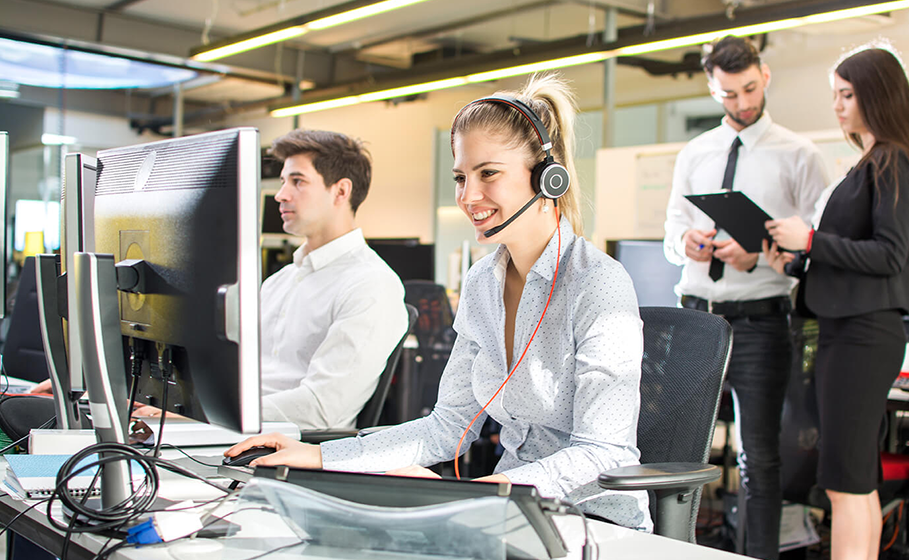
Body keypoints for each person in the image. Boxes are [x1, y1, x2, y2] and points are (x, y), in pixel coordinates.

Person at [227, 74, 652, 531]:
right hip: (509, 511)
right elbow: (446, 425)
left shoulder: (598, 283)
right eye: (460, 177)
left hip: (592, 523)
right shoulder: (482, 283)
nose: (469, 196)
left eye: (488, 173)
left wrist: (481, 493)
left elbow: (602, 451)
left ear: (548, 177)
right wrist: (319, 455)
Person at [36, 130, 409, 431]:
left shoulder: (372, 286)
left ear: (341, 191)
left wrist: (199, 417)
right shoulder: (280, 281)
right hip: (223, 431)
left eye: (297, 181)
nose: (280, 195)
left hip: (283, 446)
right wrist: (104, 387)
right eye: (282, 181)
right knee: (48, 427)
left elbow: (323, 409)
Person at [765, 43, 909, 560]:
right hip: (852, 331)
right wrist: (796, 262)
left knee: (844, 479)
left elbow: (889, 254)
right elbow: (859, 261)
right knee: (853, 479)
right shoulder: (879, 160)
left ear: (876, 96)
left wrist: (812, 241)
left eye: (847, 94)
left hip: (861, 337)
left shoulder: (891, 162)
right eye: (835, 95)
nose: (838, 105)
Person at [663, 36, 828, 559]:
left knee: (759, 459)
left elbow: (817, 242)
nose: (741, 103)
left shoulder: (800, 155)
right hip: (696, 319)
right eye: (728, 94)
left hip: (760, 324)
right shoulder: (696, 152)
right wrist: (683, 242)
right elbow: (671, 230)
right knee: (675, 455)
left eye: (749, 89)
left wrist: (756, 253)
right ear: (713, 88)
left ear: (766, 75)